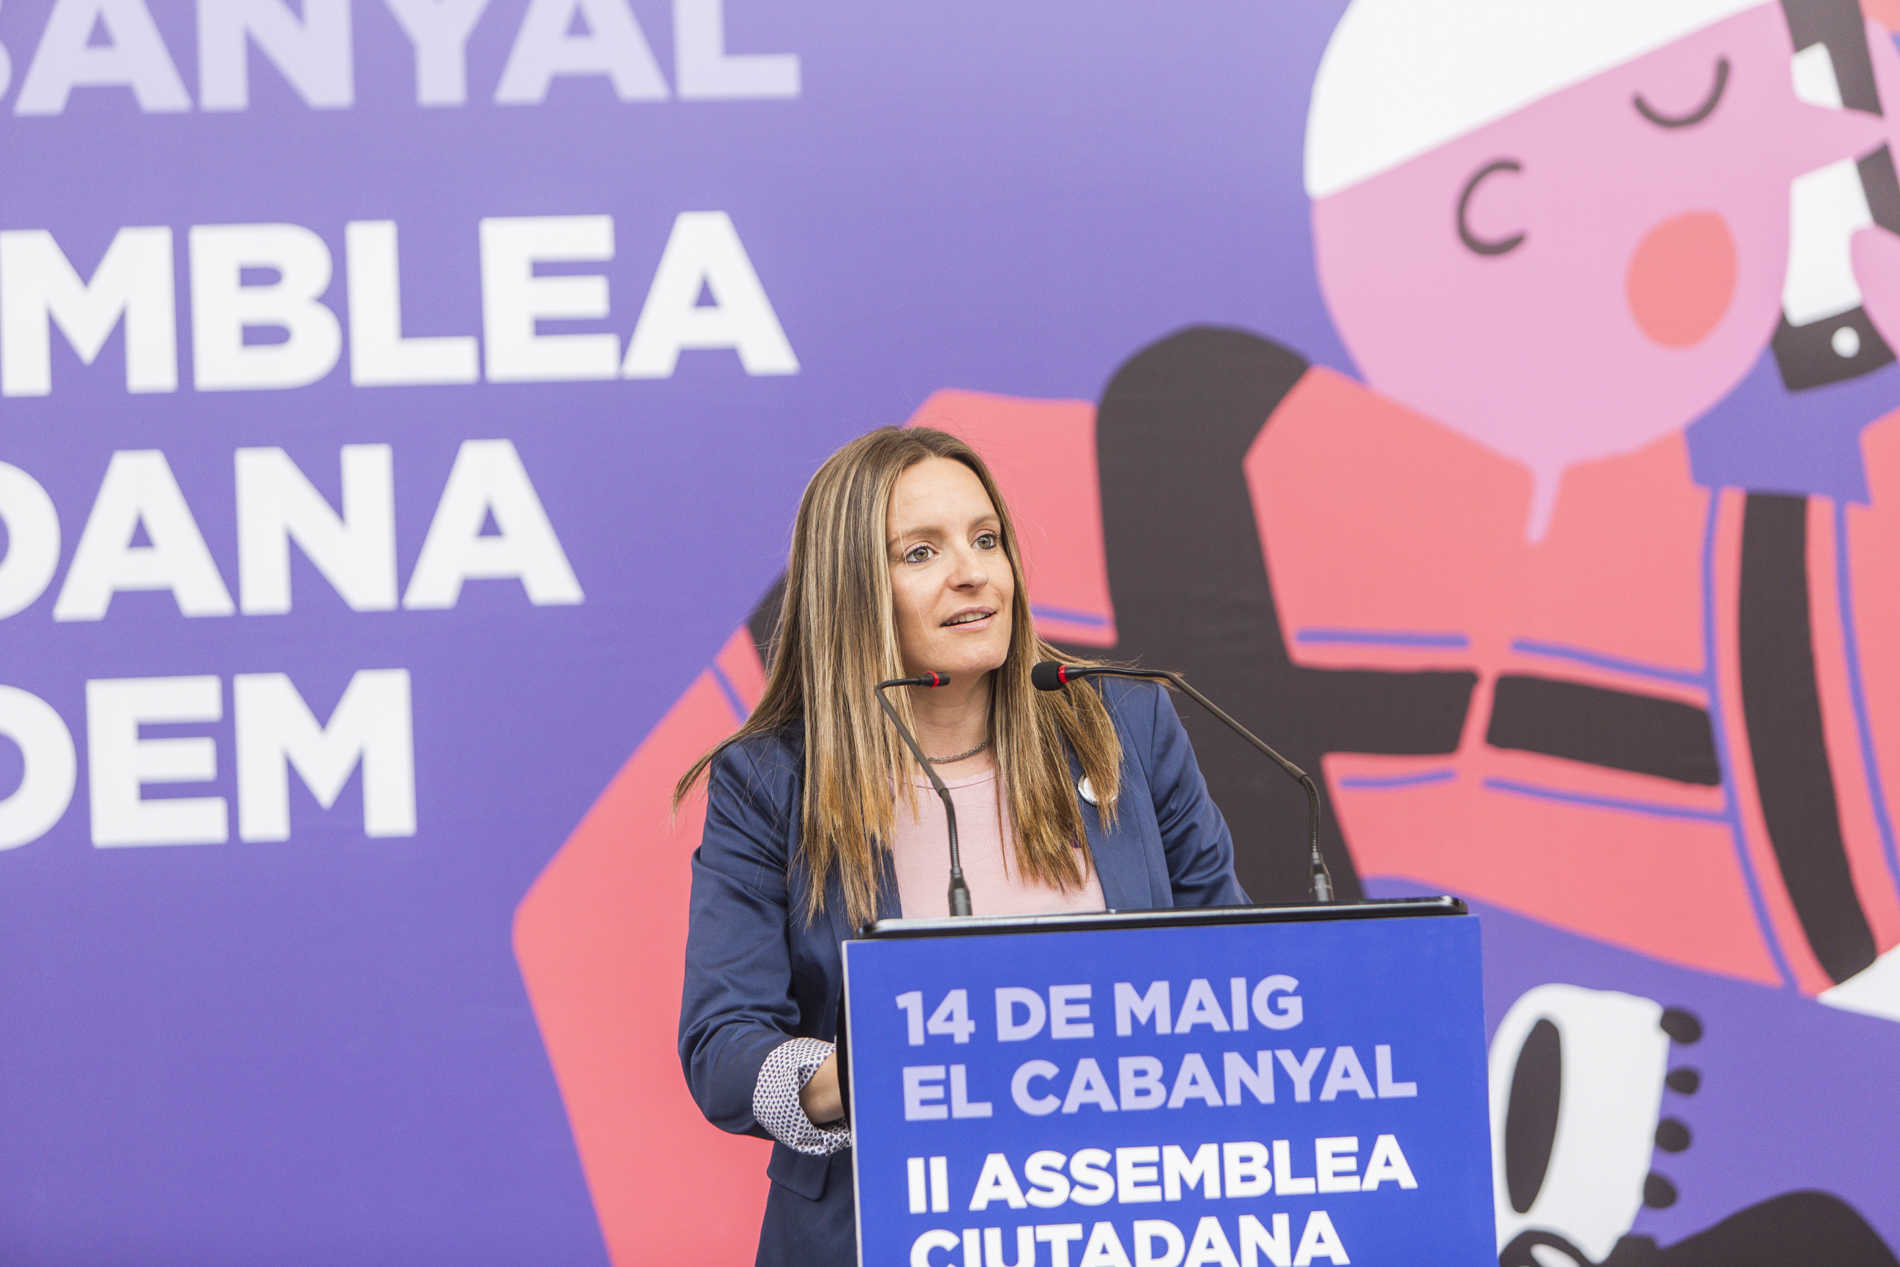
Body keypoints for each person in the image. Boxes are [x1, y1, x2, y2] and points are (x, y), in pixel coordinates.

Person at [675, 425, 1248, 1265]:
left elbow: (1232, 967)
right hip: (886, 1227)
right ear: (852, 591)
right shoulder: (772, 784)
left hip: (1127, 1219)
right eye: (921, 552)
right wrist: (884, 1065)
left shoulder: (1125, 727)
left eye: (986, 540)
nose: (973, 571)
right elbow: (726, 1046)